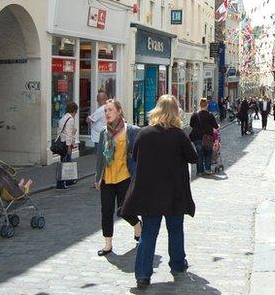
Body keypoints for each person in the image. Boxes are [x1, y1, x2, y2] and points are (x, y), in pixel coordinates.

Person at [121, 95, 198, 290]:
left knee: (148, 233)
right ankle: (178, 263)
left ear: (156, 110)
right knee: (175, 230)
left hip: (150, 193)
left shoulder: (144, 133)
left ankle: (143, 275)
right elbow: (193, 158)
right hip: (174, 192)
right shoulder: (179, 134)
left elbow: (135, 156)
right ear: (176, 112)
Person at [94, 99, 142, 256]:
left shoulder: (131, 131)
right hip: (107, 178)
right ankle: (108, 244)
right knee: (106, 211)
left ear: (119, 111)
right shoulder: (104, 132)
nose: (107, 113)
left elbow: (138, 154)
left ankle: (137, 225)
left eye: (110, 110)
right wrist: (97, 177)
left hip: (124, 177)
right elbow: (100, 157)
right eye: (105, 110)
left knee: (124, 210)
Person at [189, 98, 219, 176]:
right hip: (207, 138)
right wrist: (217, 126)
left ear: (200, 105)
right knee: (208, 153)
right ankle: (208, 169)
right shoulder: (210, 115)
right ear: (207, 105)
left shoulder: (195, 115)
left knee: (199, 154)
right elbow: (215, 126)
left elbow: (191, 125)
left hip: (197, 138)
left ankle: (200, 171)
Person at [56, 101, 78, 190]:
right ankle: (61, 183)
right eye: (76, 111)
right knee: (65, 163)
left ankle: (69, 180)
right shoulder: (70, 119)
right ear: (74, 110)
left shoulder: (63, 118)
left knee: (67, 162)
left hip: (62, 142)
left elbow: (62, 130)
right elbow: (68, 134)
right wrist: (69, 146)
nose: (76, 113)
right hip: (66, 144)